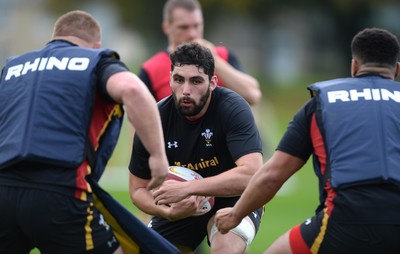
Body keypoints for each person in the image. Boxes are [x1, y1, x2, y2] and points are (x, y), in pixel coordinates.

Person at [215, 27, 400, 253]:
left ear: (354, 66)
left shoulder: (323, 103)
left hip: (345, 218)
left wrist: (236, 214)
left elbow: (273, 175)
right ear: (397, 70)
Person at [0, 10, 171, 254]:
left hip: (4, 191)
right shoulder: (94, 61)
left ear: (54, 38)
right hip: (60, 191)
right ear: (96, 45)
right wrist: (157, 155)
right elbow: (133, 89)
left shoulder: (14, 68)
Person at [128, 42, 264, 254]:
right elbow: (137, 189)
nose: (186, 90)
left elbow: (252, 174)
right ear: (170, 77)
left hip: (235, 198)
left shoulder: (233, 109)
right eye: (179, 79)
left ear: (213, 83)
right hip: (182, 204)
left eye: (196, 81)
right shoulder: (154, 119)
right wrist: (167, 212)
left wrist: (188, 188)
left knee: (225, 249)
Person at [138, 0, 261, 105]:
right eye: (184, 27)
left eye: (197, 26)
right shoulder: (152, 69)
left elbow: (253, 96)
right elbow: (138, 123)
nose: (192, 34)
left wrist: (214, 60)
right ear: (166, 27)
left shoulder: (223, 56)